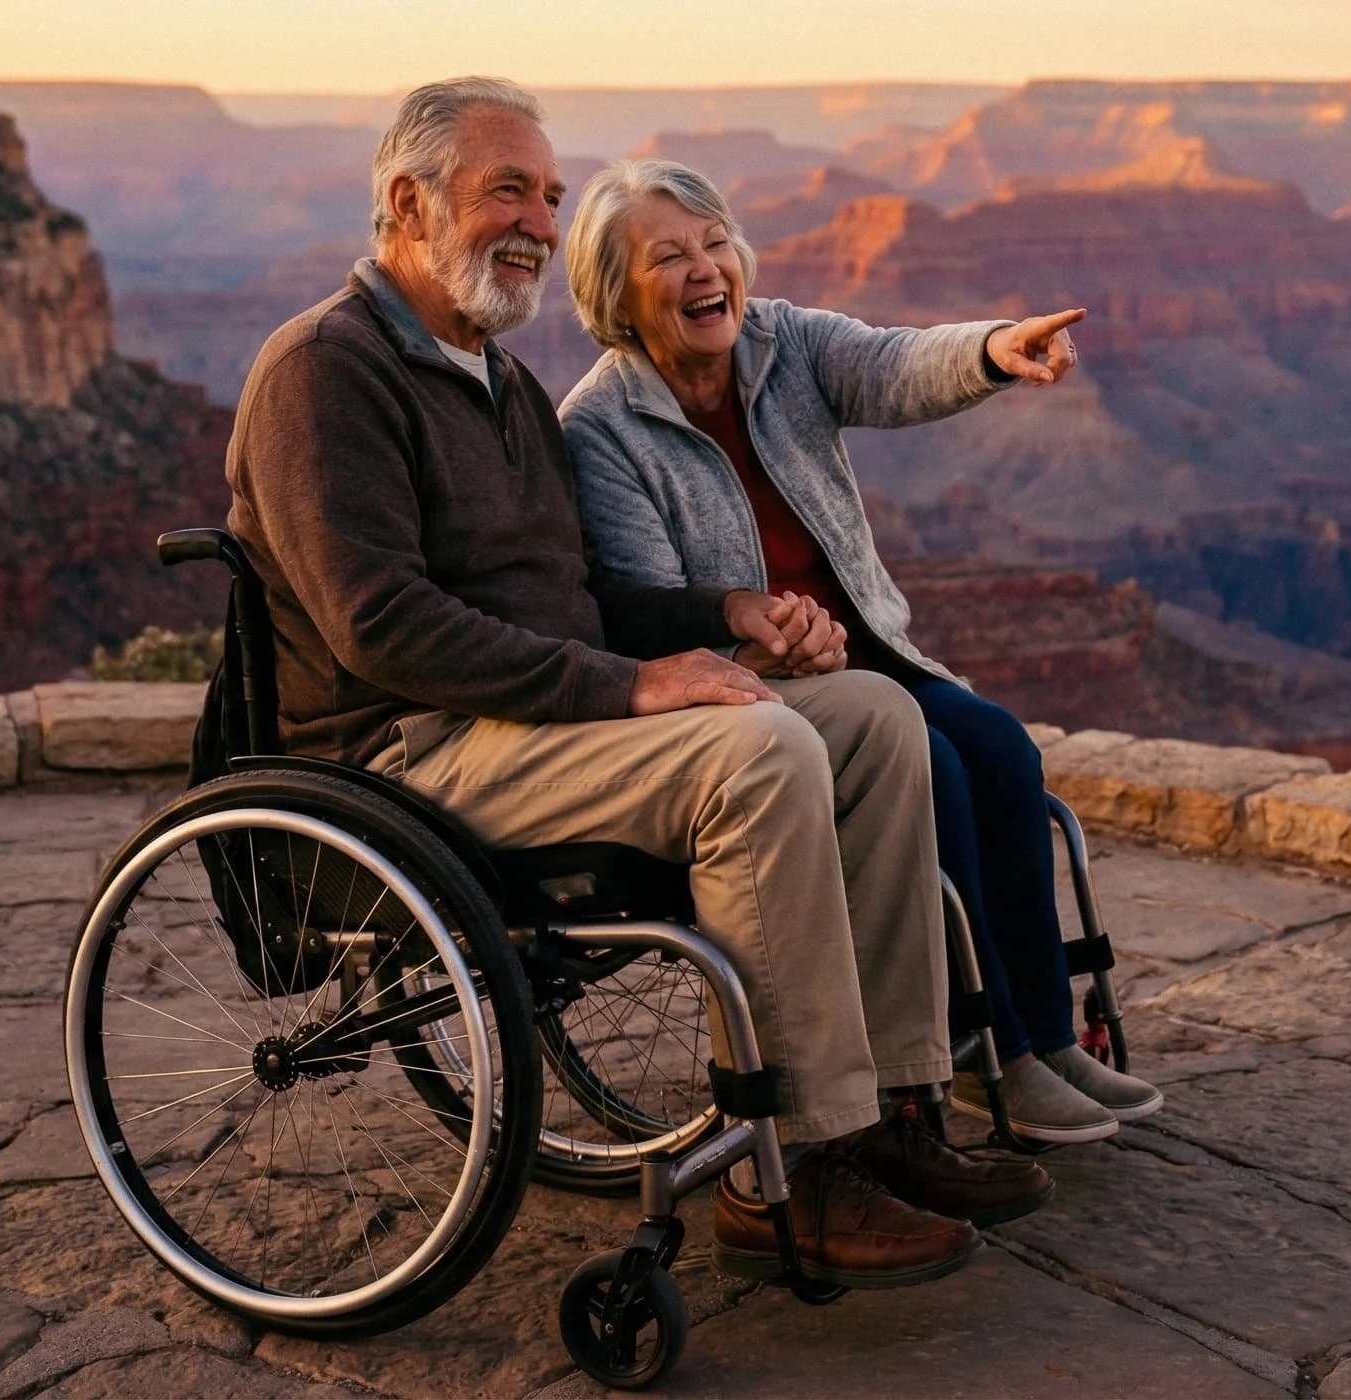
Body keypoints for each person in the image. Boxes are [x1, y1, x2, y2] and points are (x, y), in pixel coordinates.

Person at [224, 78, 1053, 1290]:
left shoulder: (495, 381)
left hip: (532, 720)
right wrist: (629, 689)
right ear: (406, 201)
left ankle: (888, 1109)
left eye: (548, 196)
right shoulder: (324, 371)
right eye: (507, 188)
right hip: (415, 752)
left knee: (875, 721)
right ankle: (792, 1173)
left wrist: (724, 618)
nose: (535, 221)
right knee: (759, 750)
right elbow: (379, 627)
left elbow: (589, 596)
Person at [558, 159, 1165, 1145]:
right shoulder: (601, 429)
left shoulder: (780, 342)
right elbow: (642, 605)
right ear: (613, 294)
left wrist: (994, 350)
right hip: (745, 687)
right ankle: (989, 1051)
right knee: (934, 773)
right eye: (665, 256)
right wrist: (753, 623)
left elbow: (888, 365)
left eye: (714, 242)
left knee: (1001, 752)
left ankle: (1049, 1036)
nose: (703, 267)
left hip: (864, 653)